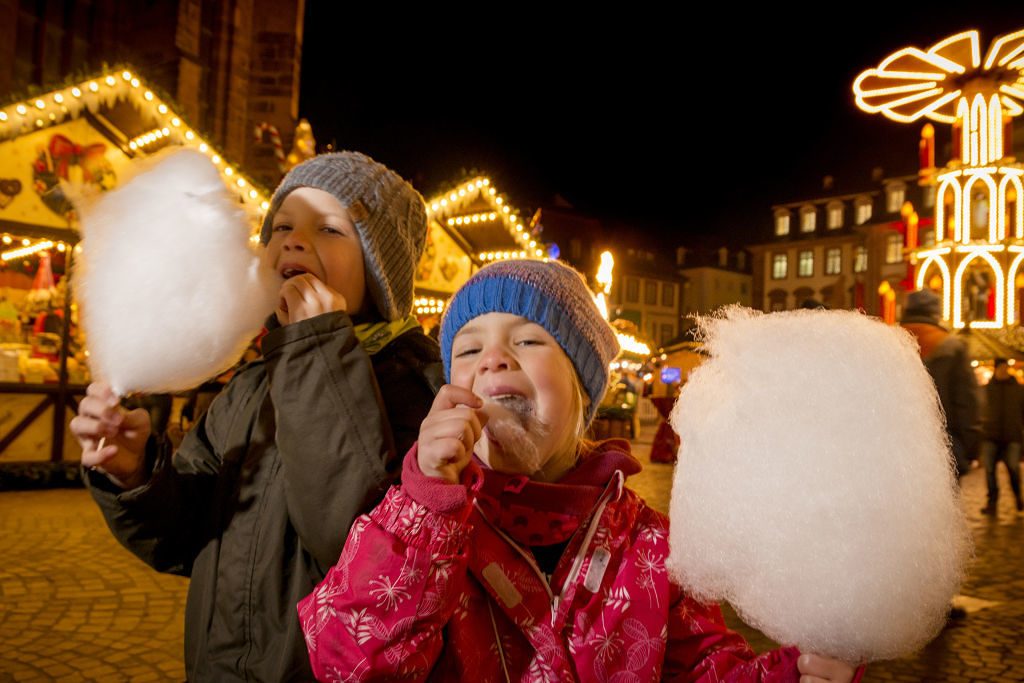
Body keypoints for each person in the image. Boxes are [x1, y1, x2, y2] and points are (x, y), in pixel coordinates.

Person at [298, 259, 859, 682]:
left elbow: (707, 668)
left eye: (528, 340)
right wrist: (425, 506)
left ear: (584, 387)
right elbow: (347, 663)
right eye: (468, 352)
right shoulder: (407, 522)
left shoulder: (653, 546)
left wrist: (796, 673)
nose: (493, 358)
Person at [70, 152, 441, 682]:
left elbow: (350, 540)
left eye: (330, 229)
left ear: (381, 271)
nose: (293, 240)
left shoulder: (417, 387)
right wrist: (136, 475)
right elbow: (186, 535)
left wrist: (316, 348)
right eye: (282, 225)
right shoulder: (248, 385)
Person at [900, 289, 980, 479]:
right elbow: (967, 403)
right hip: (942, 446)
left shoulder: (889, 341)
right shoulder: (951, 346)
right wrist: (967, 449)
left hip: (897, 448)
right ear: (935, 313)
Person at [979, 358, 1024, 515]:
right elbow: (980, 410)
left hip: (1012, 436)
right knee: (989, 470)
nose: (1004, 371)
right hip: (990, 435)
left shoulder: (1019, 389)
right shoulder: (986, 389)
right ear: (996, 369)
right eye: (1001, 368)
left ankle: (1018, 496)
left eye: (1006, 368)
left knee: (1013, 468)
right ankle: (992, 502)